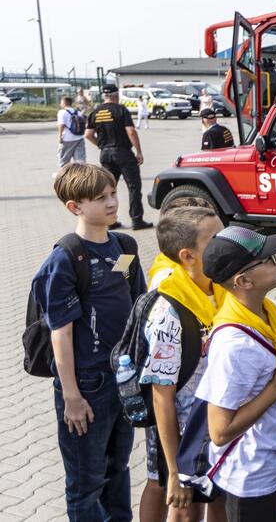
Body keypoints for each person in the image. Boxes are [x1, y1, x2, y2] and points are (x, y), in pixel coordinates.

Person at [32, 163, 147, 520]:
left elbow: (136, 303)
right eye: (101, 198)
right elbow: (60, 334)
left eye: (114, 193)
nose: (113, 202)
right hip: (86, 384)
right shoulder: (65, 259)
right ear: (75, 207)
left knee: (119, 469)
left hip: (123, 377)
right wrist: (72, 397)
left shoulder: (124, 245)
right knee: (86, 484)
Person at [197, 226, 276, 521]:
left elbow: (265, 360)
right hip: (251, 475)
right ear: (244, 280)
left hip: (275, 460)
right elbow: (220, 431)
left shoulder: (267, 311)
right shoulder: (233, 345)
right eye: (269, 259)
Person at [138, 206, 227, 522]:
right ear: (188, 256)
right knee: (184, 511)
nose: (225, 242)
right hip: (182, 435)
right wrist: (175, 469)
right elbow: (162, 397)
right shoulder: (167, 314)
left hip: (215, 427)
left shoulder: (219, 289)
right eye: (215, 238)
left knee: (214, 501)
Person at [85, 83, 152, 230]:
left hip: (106, 154)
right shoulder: (121, 110)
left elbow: (88, 135)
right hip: (123, 153)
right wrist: (139, 151)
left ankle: (109, 222)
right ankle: (137, 220)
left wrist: (101, 146)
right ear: (116, 95)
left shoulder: (95, 112)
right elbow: (131, 132)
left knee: (107, 189)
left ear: (104, 95)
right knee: (133, 187)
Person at [57, 96, 87, 168]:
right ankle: (81, 177)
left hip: (67, 139)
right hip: (79, 138)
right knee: (80, 162)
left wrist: (60, 137)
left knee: (64, 162)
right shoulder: (78, 112)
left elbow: (61, 125)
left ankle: (63, 177)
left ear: (64, 102)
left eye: (61, 102)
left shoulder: (62, 112)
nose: (60, 104)